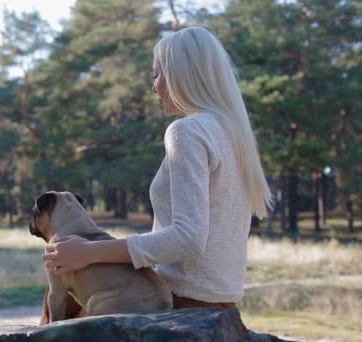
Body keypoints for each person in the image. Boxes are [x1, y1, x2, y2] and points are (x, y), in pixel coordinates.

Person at [39, 26, 272, 324]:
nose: (154, 86)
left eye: (157, 74)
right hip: (223, 308)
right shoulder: (233, 133)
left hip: (180, 304)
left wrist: (90, 251)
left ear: (182, 75)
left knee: (58, 279)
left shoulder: (187, 131)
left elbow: (187, 238)